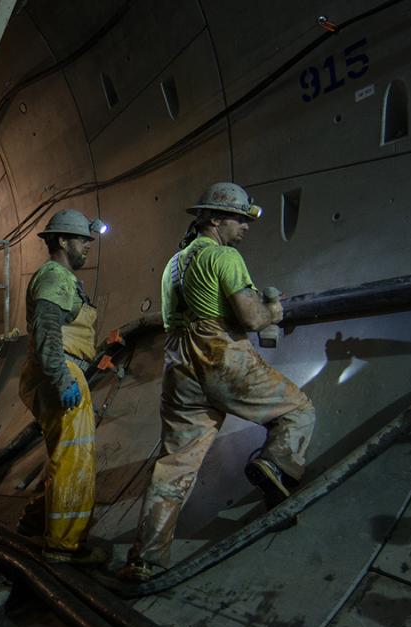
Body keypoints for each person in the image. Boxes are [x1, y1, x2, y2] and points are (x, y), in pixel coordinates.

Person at [118, 182, 315, 581]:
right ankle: (274, 466)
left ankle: (144, 561)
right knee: (298, 410)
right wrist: (274, 308)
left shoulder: (174, 264)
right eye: (238, 218)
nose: (244, 226)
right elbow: (251, 318)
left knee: (174, 465)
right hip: (220, 354)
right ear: (212, 219)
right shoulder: (225, 257)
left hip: (178, 365)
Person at [18, 209, 108, 564]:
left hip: (61, 371)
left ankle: (35, 521)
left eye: (88, 240)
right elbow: (47, 332)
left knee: (63, 454)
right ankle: (64, 545)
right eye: (81, 240)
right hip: (60, 373)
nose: (87, 246)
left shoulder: (63, 279)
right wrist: (63, 378)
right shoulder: (54, 276)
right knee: (75, 457)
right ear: (61, 241)